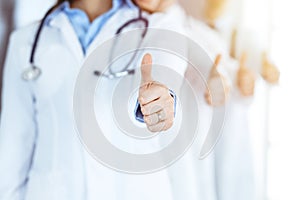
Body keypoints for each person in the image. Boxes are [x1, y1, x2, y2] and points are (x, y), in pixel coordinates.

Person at [0, 0, 183, 199]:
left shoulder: (157, 25)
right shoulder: (26, 41)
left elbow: (166, 79)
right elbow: (11, 159)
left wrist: (157, 104)